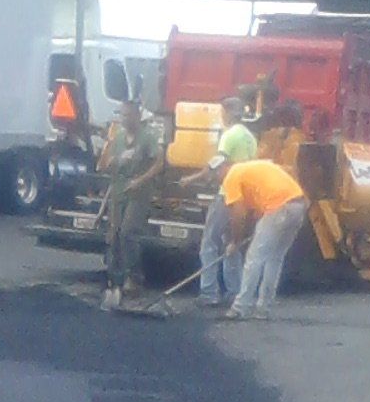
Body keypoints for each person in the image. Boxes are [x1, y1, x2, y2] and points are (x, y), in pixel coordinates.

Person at [179, 97, 257, 307]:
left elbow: (218, 161)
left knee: (209, 243)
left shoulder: (230, 135)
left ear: (229, 113)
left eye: (223, 112)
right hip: (245, 196)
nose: (221, 116)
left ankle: (209, 292)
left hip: (228, 193)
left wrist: (192, 178)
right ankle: (235, 292)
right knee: (231, 243)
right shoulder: (250, 137)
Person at [220, 159, 307, 319]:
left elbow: (238, 213)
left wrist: (235, 242)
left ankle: (240, 307)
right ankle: (264, 308)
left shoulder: (231, 176)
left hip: (278, 207)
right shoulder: (252, 168)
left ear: (223, 169)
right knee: (275, 258)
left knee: (255, 259)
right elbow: (255, 207)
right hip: (298, 204)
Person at [98, 100, 165, 309]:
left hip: (138, 194)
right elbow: (104, 165)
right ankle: (114, 280)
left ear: (136, 116)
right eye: (122, 115)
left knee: (128, 232)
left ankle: (134, 278)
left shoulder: (148, 137)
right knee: (114, 234)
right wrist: (108, 155)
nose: (124, 119)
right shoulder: (117, 139)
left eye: (128, 115)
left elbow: (159, 163)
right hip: (118, 192)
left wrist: (140, 180)